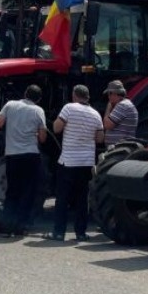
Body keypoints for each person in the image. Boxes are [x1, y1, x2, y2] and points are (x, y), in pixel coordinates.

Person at [49, 85, 104, 241]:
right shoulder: (95, 114)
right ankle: (80, 232)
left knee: (62, 198)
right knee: (82, 199)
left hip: (68, 161)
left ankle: (59, 232)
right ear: (87, 97)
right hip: (86, 162)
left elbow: (57, 128)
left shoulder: (69, 108)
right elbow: (100, 139)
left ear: (74, 95)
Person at [0, 84, 47, 237]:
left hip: (12, 155)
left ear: (24, 93)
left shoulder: (10, 105)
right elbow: (42, 137)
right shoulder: (38, 110)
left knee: (12, 192)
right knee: (28, 192)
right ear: (39, 99)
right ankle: (21, 227)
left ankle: (8, 227)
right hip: (30, 155)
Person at [102, 80, 138, 145]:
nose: (108, 97)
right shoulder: (125, 104)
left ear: (112, 93)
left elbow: (108, 125)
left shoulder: (123, 105)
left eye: (108, 94)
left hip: (120, 149)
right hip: (119, 148)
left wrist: (108, 107)